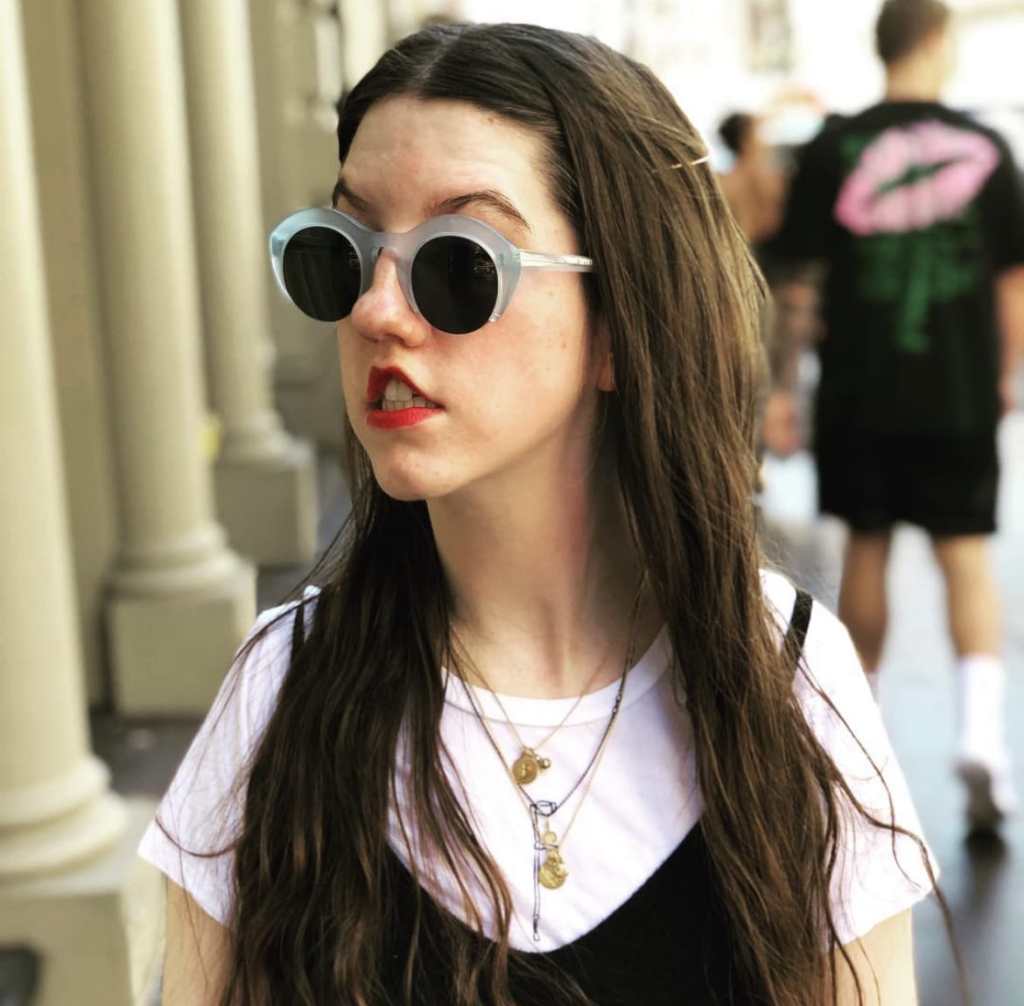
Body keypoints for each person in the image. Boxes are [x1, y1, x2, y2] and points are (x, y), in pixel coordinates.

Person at [140, 22, 941, 1006]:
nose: (376, 312)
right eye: (341, 255)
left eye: (457, 263)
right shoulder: (282, 690)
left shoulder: (786, 678)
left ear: (620, 323)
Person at [770, 0, 1024, 836]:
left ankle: (858, 751)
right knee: (965, 558)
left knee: (867, 552)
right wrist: (1008, 375)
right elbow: (1013, 283)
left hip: (860, 389)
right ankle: (982, 741)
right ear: (939, 44)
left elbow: (797, 285)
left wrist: (782, 388)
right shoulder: (988, 148)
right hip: (959, 391)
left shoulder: (831, 148)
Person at [717, 111, 786, 248]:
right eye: (758, 133)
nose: (764, 139)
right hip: (757, 250)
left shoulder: (726, 179)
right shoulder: (760, 178)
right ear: (746, 141)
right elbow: (766, 224)